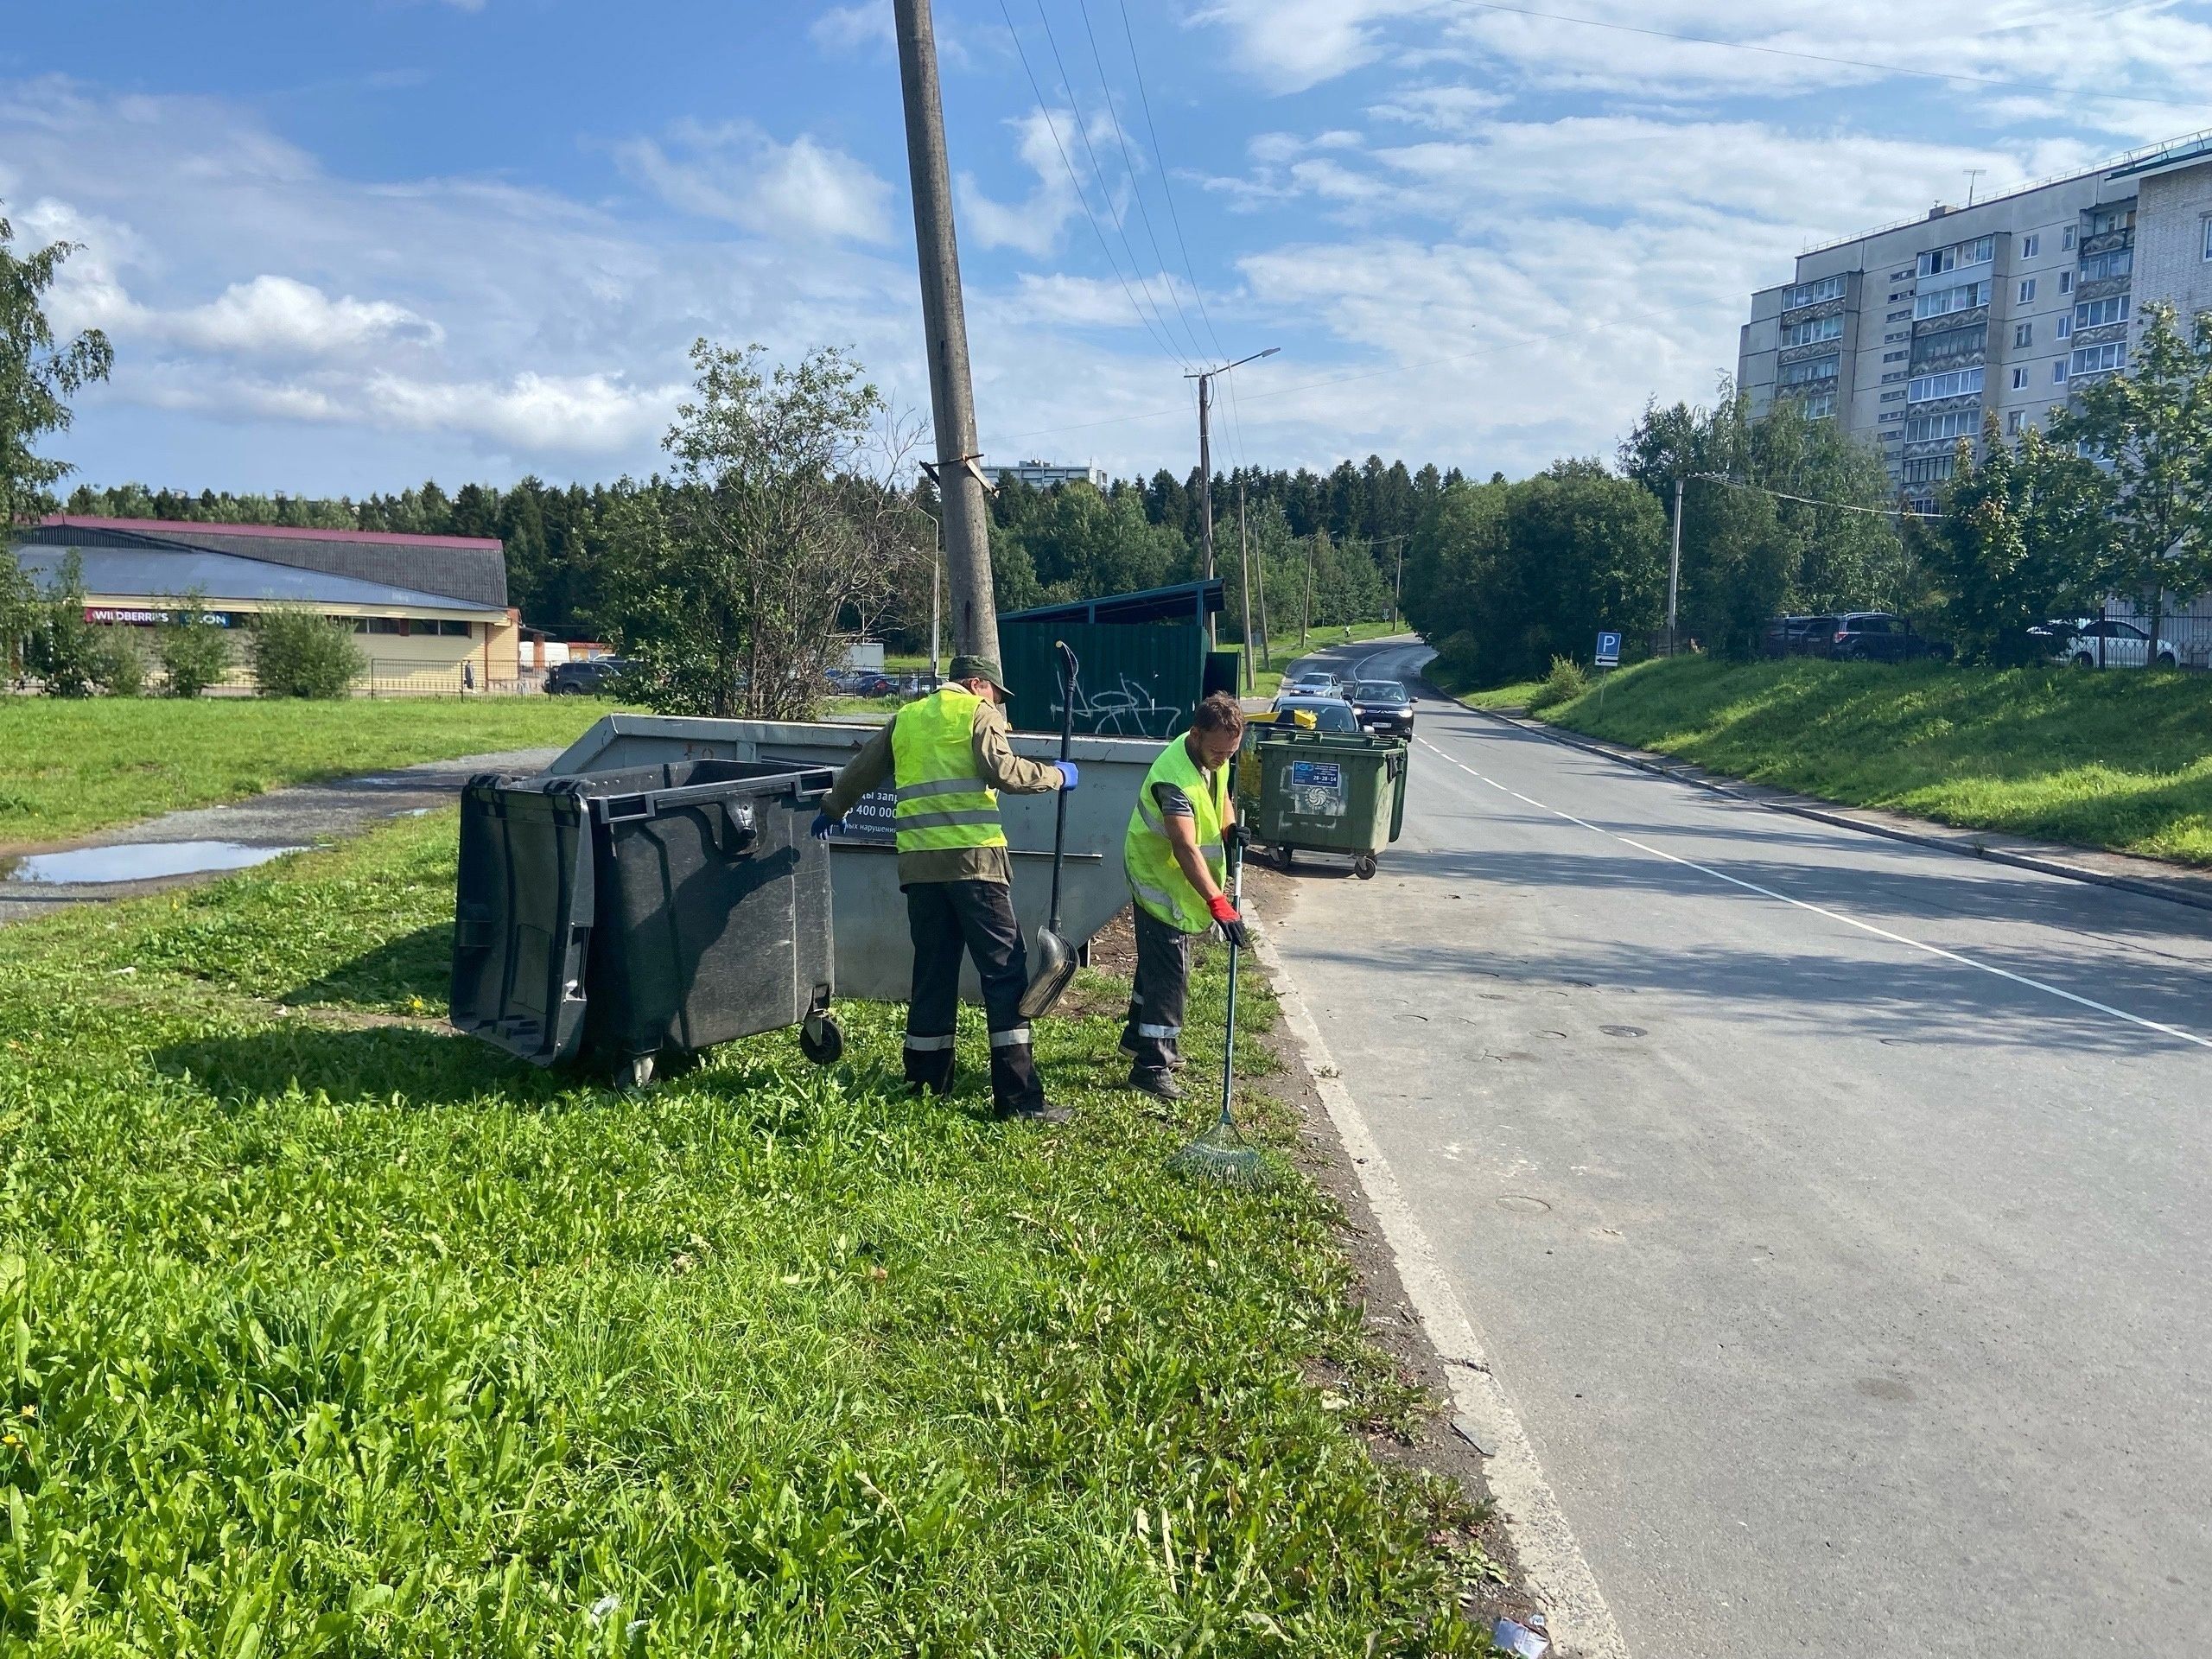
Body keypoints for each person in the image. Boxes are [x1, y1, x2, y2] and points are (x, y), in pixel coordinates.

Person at [813, 655, 1077, 1122]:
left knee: (932, 972)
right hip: (975, 866)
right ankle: (1018, 1100)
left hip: (920, 870)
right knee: (1003, 975)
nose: (998, 704)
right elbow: (1003, 770)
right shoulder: (976, 713)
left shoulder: (907, 718)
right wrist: (1057, 776)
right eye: (996, 693)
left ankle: (925, 1082)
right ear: (976, 683)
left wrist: (832, 810)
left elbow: (862, 771)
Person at [1120, 691, 1251, 1101]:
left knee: (1157, 964)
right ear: (1196, 735)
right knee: (1170, 974)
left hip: (1179, 879)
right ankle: (1152, 1065)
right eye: (1217, 751)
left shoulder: (1215, 755)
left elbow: (1220, 796)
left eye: (1230, 752)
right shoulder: (1172, 778)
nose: (1222, 758)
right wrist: (1219, 904)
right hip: (1160, 878)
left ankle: (1134, 1037)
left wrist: (1230, 829)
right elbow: (1185, 847)